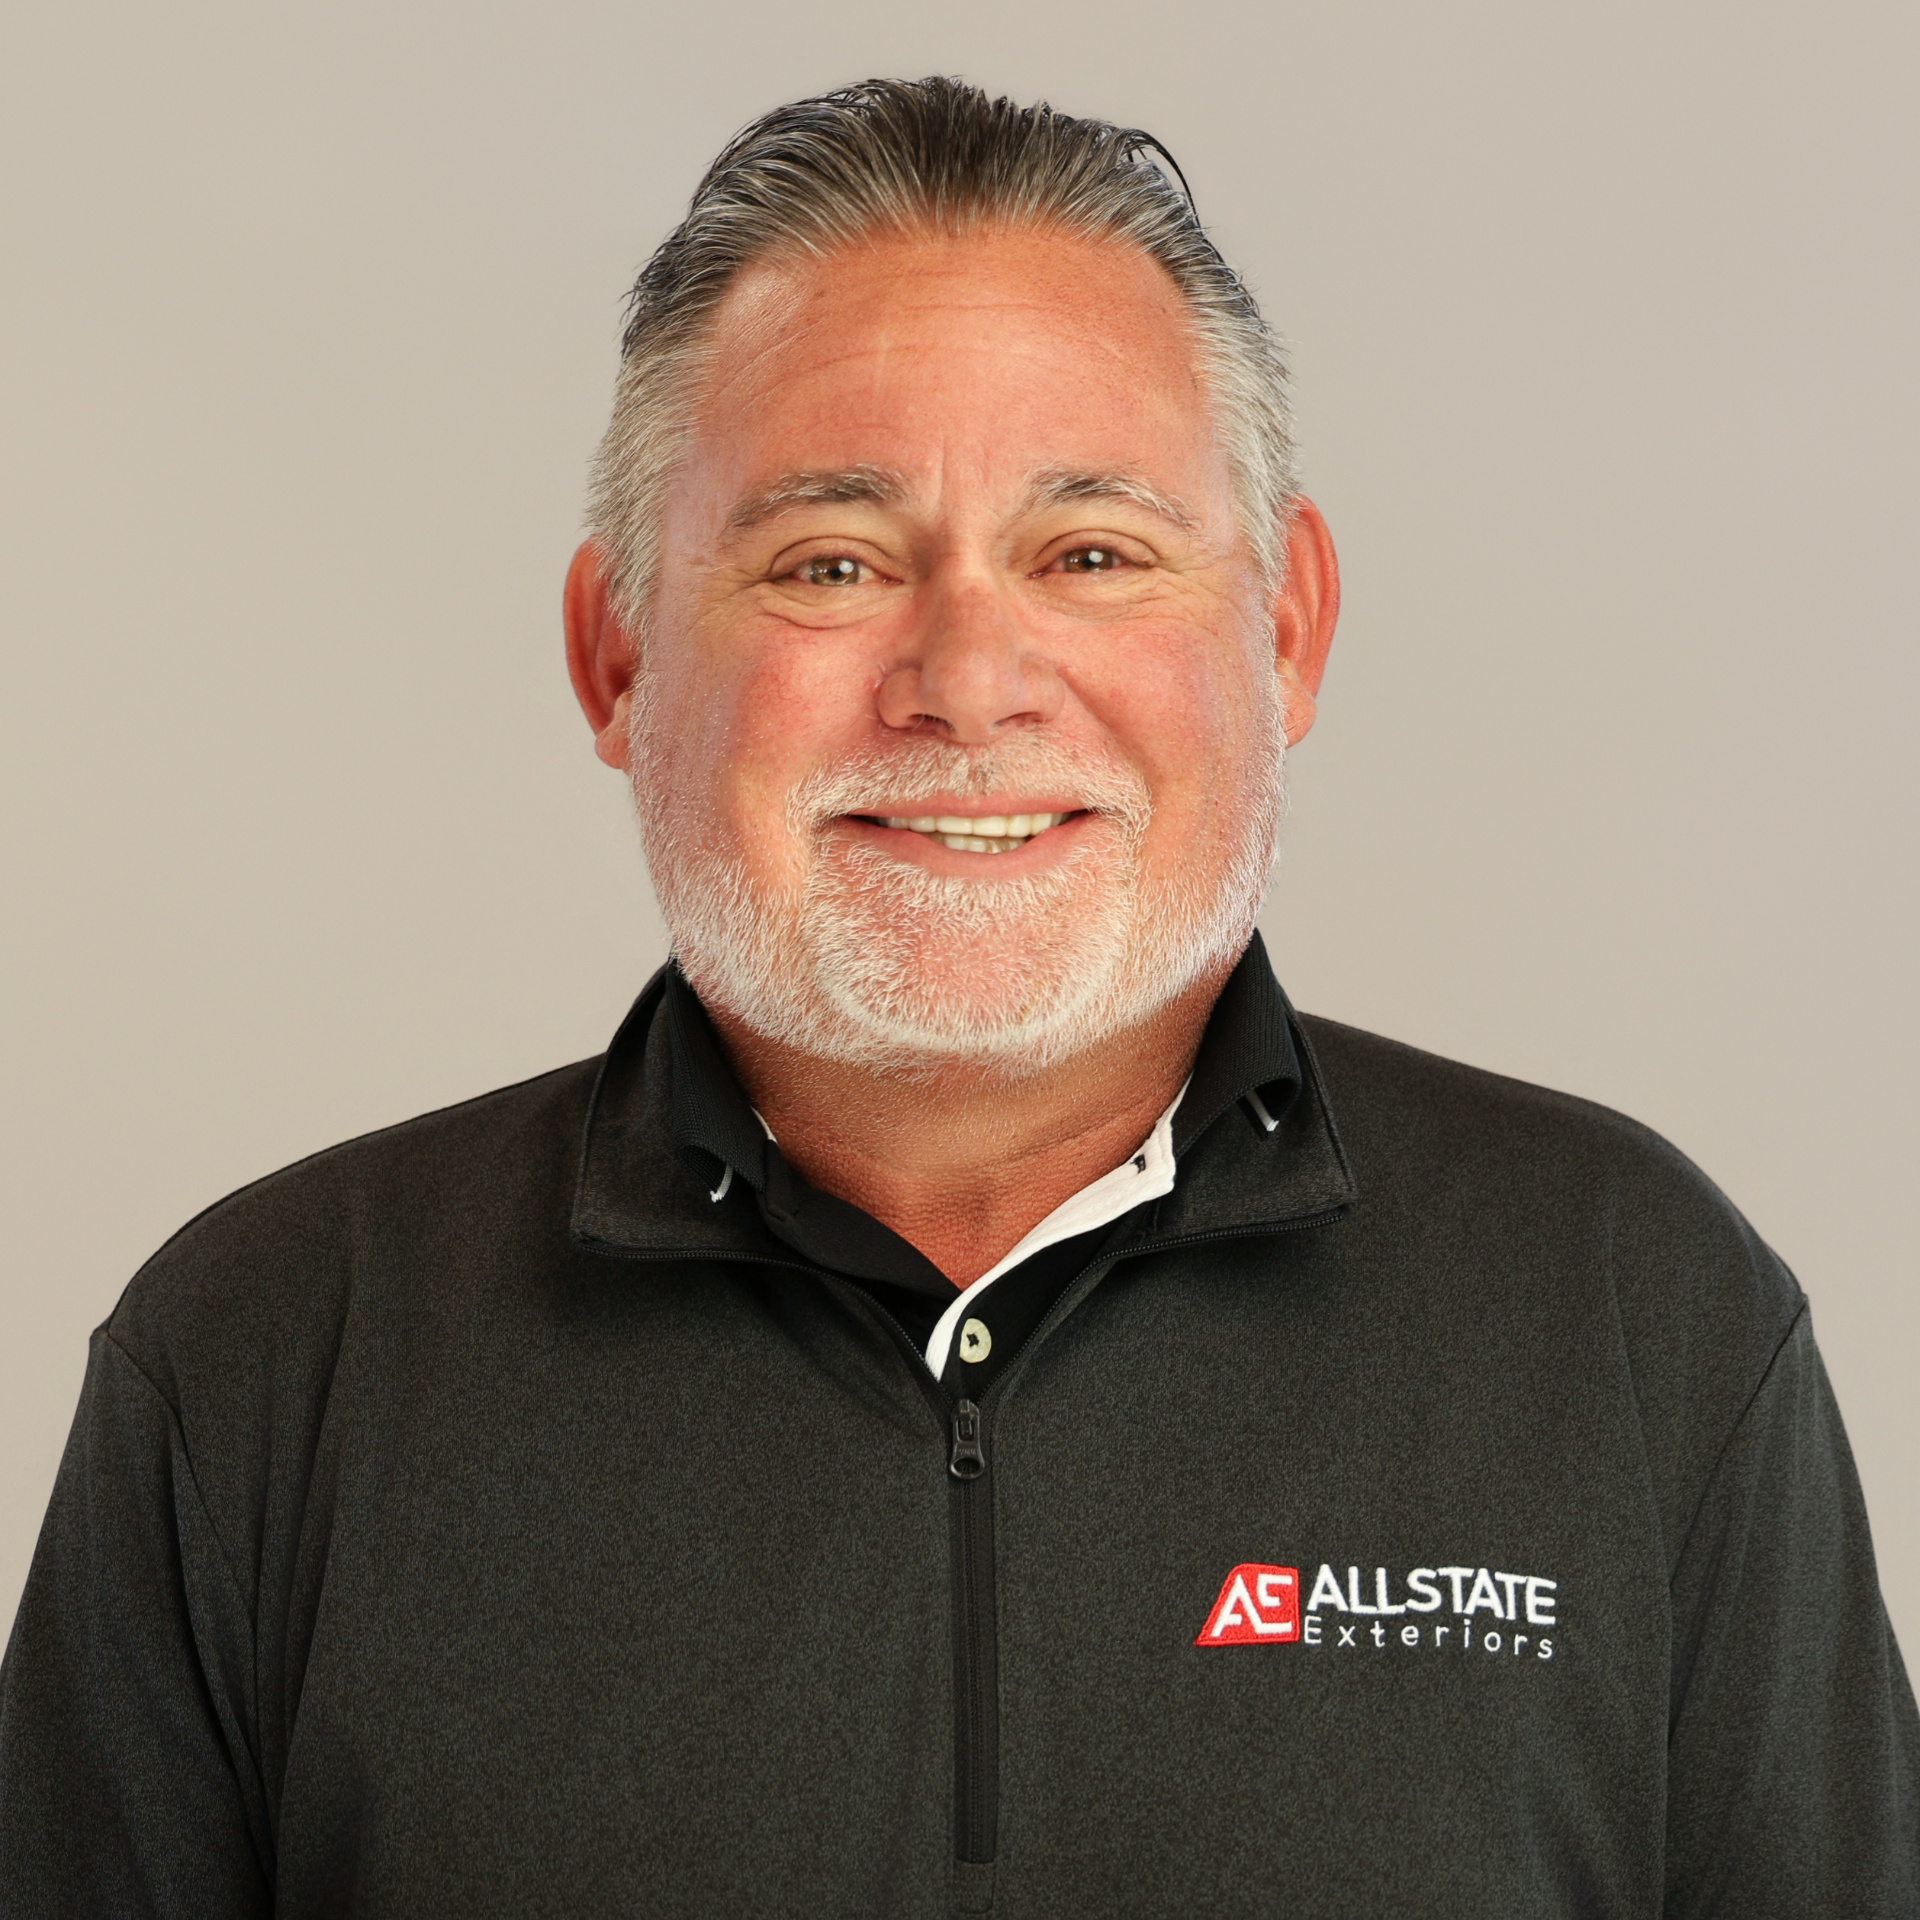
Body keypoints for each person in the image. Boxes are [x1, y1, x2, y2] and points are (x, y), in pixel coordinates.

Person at [1, 74, 1914, 1917]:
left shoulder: (1638, 1316)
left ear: (1289, 627)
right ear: (614, 655)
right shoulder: (260, 1370)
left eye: (1091, 552)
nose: (969, 681)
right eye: (832, 561)